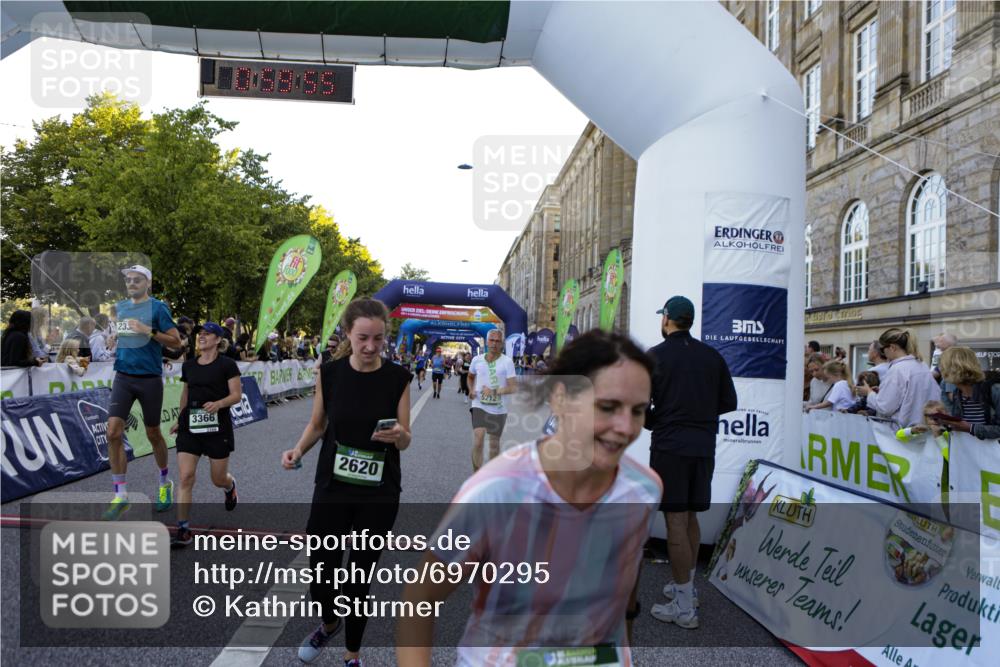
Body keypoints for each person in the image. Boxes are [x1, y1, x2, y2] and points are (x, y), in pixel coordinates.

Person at [396, 330, 663, 666]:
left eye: (638, 410)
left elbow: (624, 593)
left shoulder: (644, 489)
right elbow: (420, 596)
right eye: (607, 407)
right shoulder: (496, 490)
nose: (625, 427)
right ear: (560, 399)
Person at [280, 298, 412, 667]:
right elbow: (318, 423)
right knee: (321, 573)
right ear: (349, 335)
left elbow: (406, 438)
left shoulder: (398, 378)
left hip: (378, 490)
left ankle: (352, 655)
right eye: (362, 338)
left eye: (379, 339)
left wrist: (399, 435)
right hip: (333, 485)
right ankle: (329, 622)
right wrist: (298, 450)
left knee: (358, 577)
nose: (370, 347)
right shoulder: (331, 373)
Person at [645, 295, 736, 629]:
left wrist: (661, 419)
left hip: (671, 446)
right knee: (691, 517)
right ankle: (688, 587)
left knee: (675, 523)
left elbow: (641, 407)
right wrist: (698, 415)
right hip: (703, 446)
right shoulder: (712, 356)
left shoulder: (655, 356)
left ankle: (684, 607)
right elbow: (729, 402)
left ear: (667, 318)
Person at [102, 265, 182, 521]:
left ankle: (164, 483)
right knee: (113, 432)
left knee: (153, 433)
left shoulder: (158, 308)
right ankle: (120, 495)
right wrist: (115, 338)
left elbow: (176, 341)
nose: (132, 283)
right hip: (123, 376)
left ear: (147, 283)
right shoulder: (122, 307)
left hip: (149, 378)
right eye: (128, 280)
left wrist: (147, 330)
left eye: (137, 280)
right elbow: (127, 335)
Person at [169, 323, 243, 546]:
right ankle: (183, 529)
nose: (201, 337)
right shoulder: (189, 365)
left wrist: (219, 404)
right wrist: (180, 419)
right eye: (200, 334)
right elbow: (185, 393)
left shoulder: (227, 365)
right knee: (185, 477)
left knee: (217, 478)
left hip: (217, 428)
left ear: (218, 340)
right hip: (190, 427)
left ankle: (229, 487)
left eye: (207, 334)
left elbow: (237, 395)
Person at [855, 328, 939, 428]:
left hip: (902, 434)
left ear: (892, 347)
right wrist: (881, 392)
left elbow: (885, 407)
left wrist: (868, 393)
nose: (883, 353)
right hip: (923, 430)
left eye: (882, 349)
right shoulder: (922, 365)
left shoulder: (897, 369)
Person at [467, 328, 517, 472]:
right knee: (478, 439)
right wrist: (471, 389)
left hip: (499, 407)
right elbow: (470, 377)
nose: (494, 344)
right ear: (487, 341)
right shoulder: (477, 360)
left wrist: (494, 392)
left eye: (497, 341)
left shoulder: (507, 362)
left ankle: (490, 475)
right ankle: (476, 476)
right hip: (479, 404)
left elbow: (513, 387)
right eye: (492, 340)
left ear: (502, 344)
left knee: (494, 444)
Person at [937, 346, 1000, 440]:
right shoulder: (957, 393)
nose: (940, 370)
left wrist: (970, 428)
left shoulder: (994, 390)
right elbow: (960, 427)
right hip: (968, 452)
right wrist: (947, 422)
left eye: (942, 367)